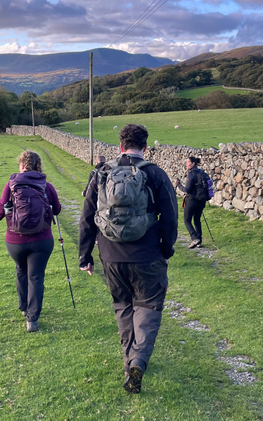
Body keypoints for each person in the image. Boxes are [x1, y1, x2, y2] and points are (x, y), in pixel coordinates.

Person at [78, 124, 178, 394]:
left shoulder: (101, 173)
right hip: (147, 255)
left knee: (123, 305)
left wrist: (84, 256)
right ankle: (139, 360)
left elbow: (87, 218)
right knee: (147, 307)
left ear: (120, 145)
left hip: (111, 255)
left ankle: (128, 361)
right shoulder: (155, 174)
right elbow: (170, 217)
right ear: (145, 147)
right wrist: (166, 249)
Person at [0, 150, 61, 332]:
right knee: (36, 277)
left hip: (15, 241)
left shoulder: (11, 185)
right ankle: (32, 320)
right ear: (38, 166)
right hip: (42, 240)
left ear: (21, 166)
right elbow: (57, 210)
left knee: (21, 270)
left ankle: (24, 308)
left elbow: (1, 208)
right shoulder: (46, 186)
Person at [174, 157, 206, 249]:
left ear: (193, 163)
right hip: (201, 200)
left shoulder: (191, 174)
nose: (186, 164)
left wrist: (178, 185)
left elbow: (187, 190)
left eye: (188, 162)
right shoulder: (202, 173)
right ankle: (199, 241)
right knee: (197, 220)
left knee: (187, 220)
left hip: (192, 200)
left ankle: (195, 238)